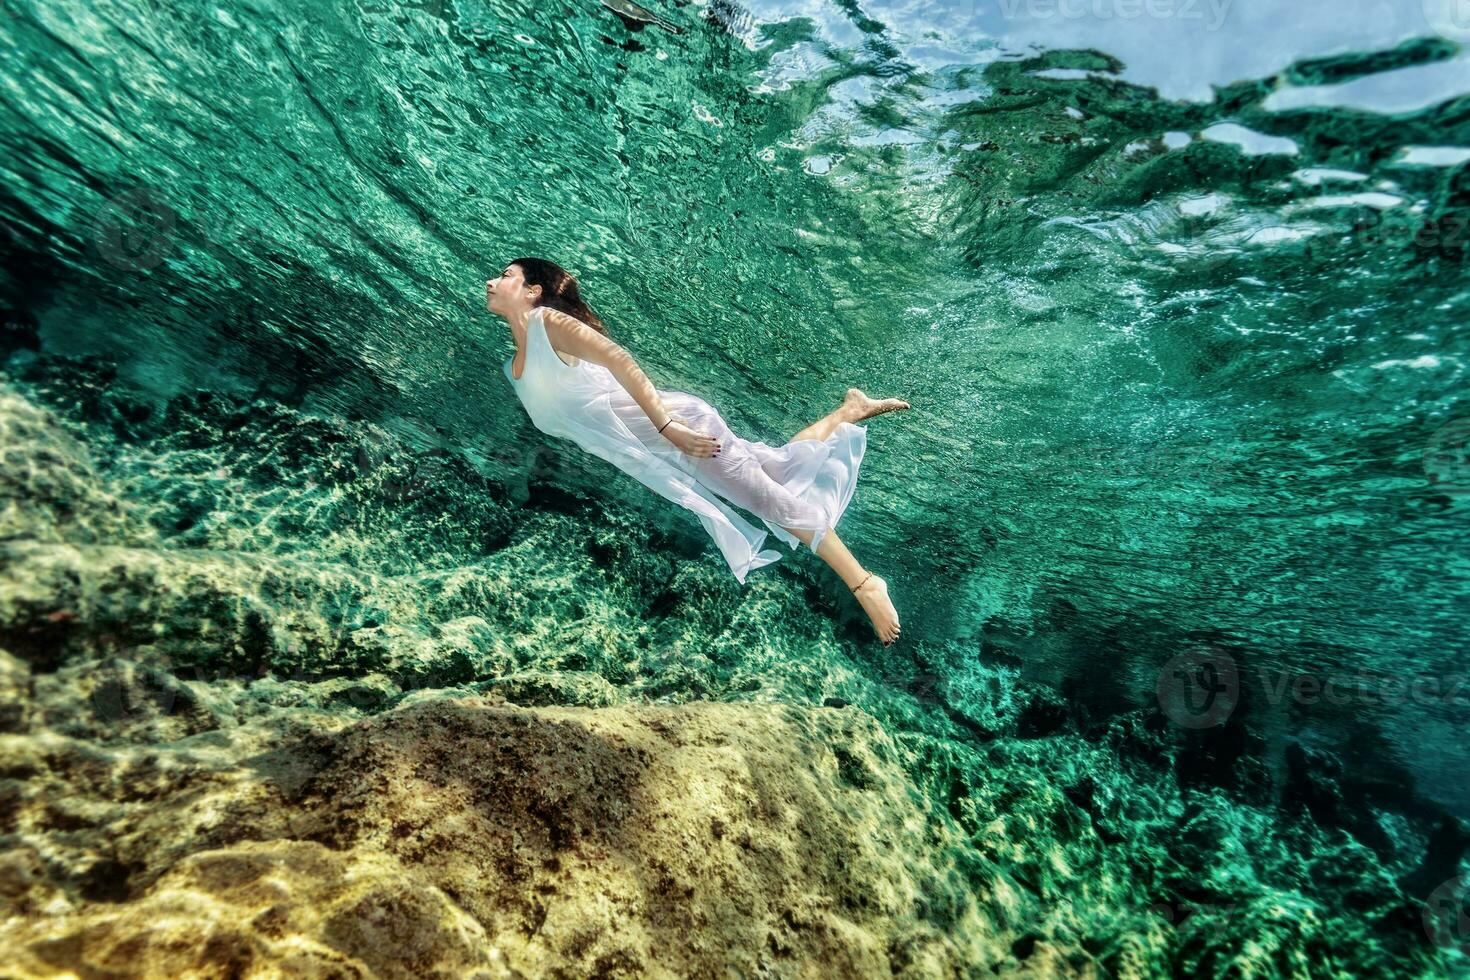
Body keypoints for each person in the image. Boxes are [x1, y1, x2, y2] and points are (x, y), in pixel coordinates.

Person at [490, 258, 908, 646]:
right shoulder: (513, 371)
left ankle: (865, 584)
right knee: (778, 472)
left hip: (682, 430)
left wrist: (669, 428)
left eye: (507, 275)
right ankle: (850, 410)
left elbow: (619, 358)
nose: (492, 281)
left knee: (773, 503)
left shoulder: (548, 323)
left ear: (534, 291)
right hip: (667, 447)